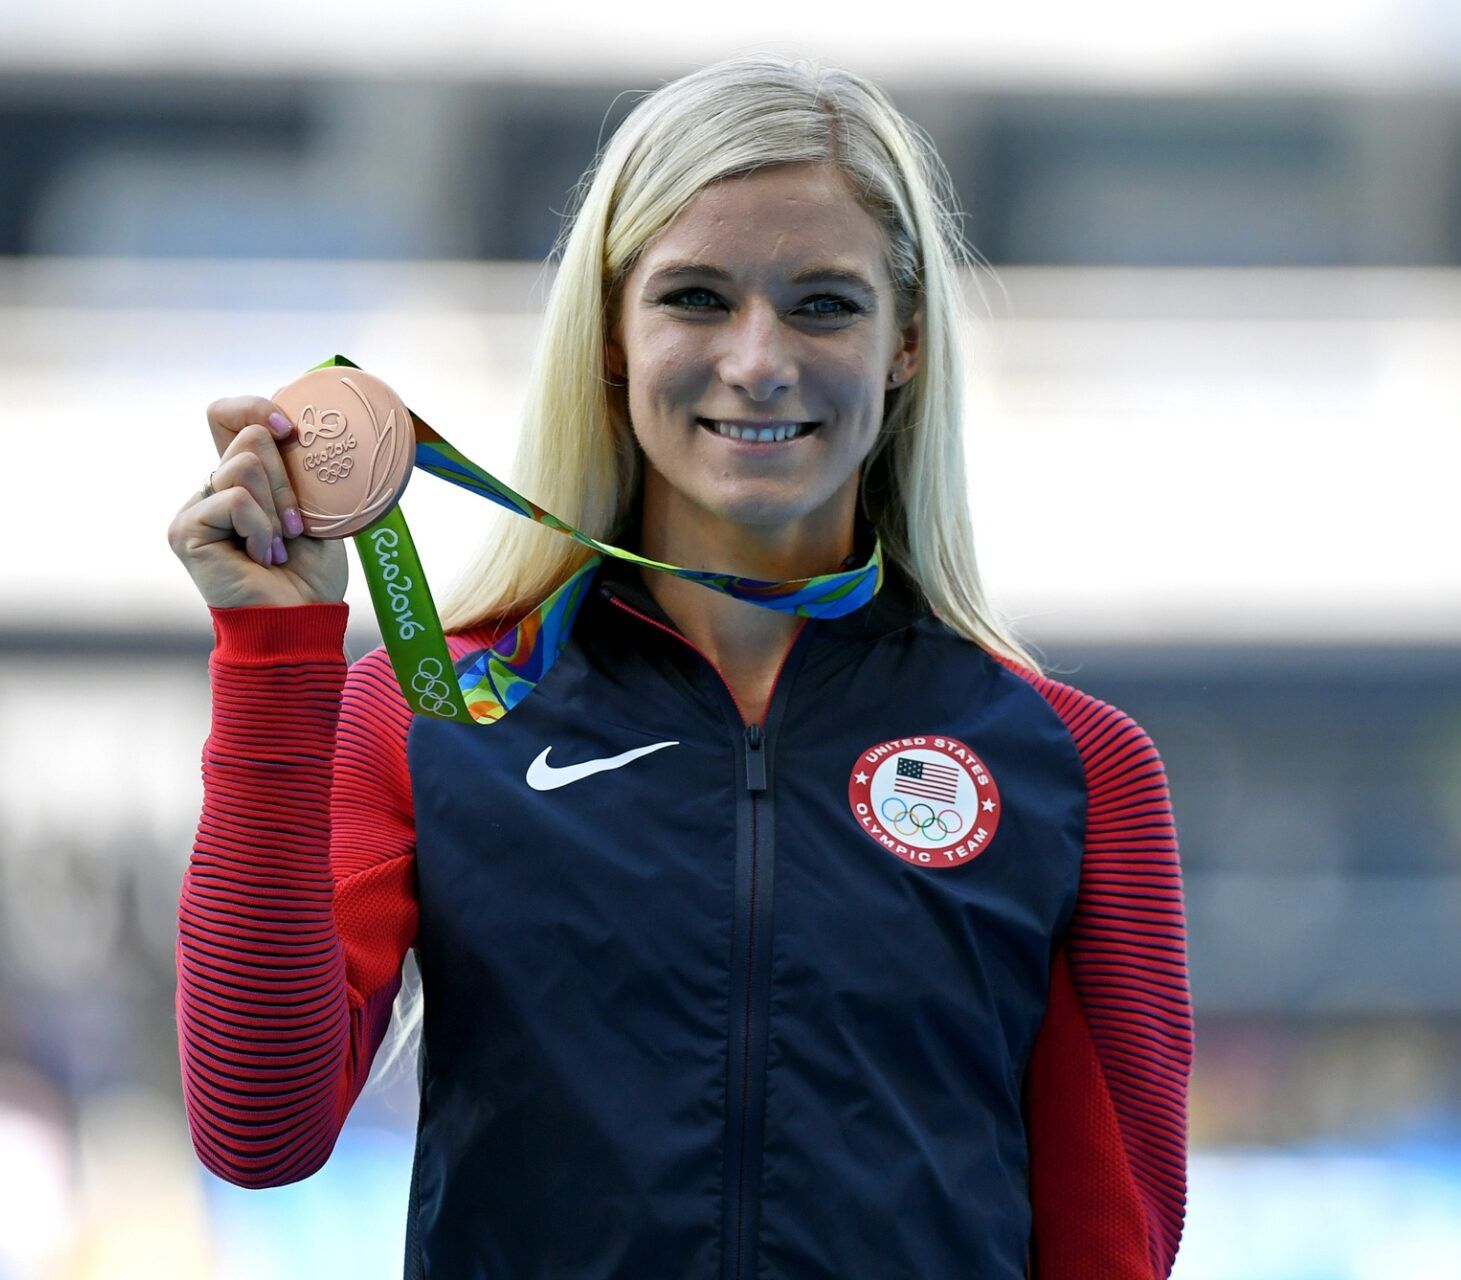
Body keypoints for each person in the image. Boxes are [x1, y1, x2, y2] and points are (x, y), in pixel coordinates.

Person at [167, 53, 1191, 1280]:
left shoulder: (1072, 768)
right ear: (612, 330)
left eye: (825, 303)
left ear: (907, 341)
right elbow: (256, 1128)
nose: (758, 358)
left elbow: (1111, 1251)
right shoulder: (433, 707)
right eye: (697, 297)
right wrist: (277, 660)